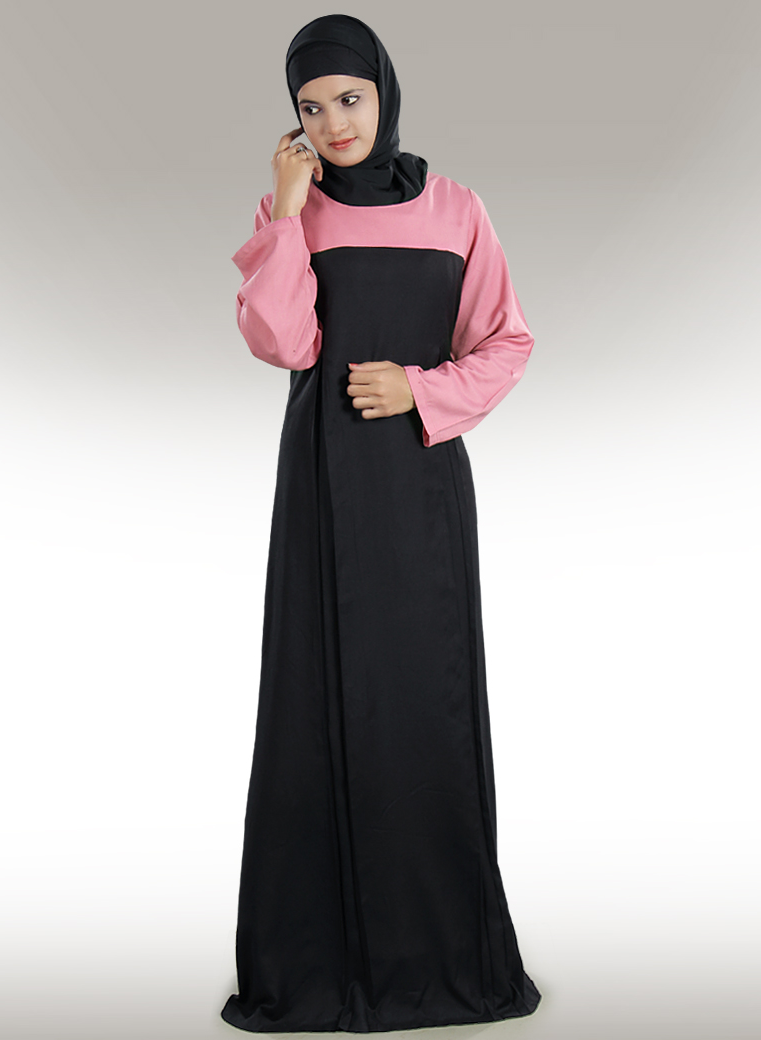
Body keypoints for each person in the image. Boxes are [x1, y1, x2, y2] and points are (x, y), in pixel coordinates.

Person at [221, 13, 542, 1034]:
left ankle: (441, 955)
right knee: (316, 699)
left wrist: (420, 389)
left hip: (419, 488)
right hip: (322, 485)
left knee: (424, 696)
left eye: (350, 98)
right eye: (311, 107)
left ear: (385, 92)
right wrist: (285, 211)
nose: (335, 123)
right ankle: (321, 960)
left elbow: (506, 341)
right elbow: (282, 341)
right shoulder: (296, 209)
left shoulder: (456, 209)